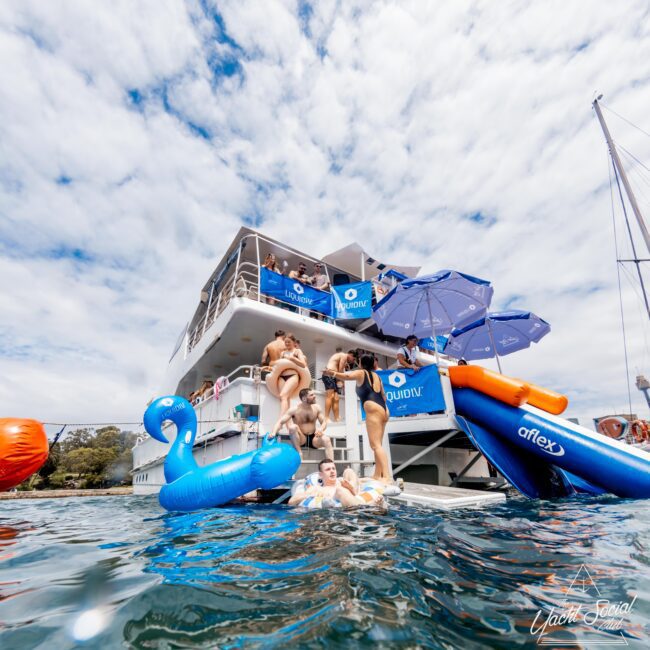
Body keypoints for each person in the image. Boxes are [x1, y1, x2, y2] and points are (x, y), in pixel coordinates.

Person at [323, 353, 392, 484]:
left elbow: (347, 376)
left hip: (373, 409)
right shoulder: (377, 376)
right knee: (378, 445)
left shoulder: (361, 373)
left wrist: (331, 373)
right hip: (384, 409)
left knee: (375, 445)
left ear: (361, 363)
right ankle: (377, 475)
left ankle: (387, 477)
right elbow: (384, 396)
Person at [288, 458, 382, 507]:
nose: (332, 471)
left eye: (333, 468)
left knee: (348, 471)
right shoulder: (317, 488)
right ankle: (366, 507)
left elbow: (363, 481)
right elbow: (291, 502)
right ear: (320, 474)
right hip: (341, 505)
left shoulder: (342, 481)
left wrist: (351, 486)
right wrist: (312, 495)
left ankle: (353, 491)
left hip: (353, 495)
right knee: (340, 490)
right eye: (328, 469)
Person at [270, 389, 333, 460]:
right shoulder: (294, 410)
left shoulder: (317, 408)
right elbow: (280, 422)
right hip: (301, 438)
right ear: (304, 398)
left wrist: (321, 429)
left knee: (326, 439)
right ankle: (299, 452)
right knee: (293, 427)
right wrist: (273, 432)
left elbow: (324, 422)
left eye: (314, 394)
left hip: (314, 439)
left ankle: (331, 464)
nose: (315, 396)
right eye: (312, 395)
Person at [276, 333, 308, 415]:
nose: (287, 344)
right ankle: (288, 423)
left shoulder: (297, 351)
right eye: (285, 342)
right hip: (282, 376)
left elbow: (303, 364)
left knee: (283, 395)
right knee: (285, 398)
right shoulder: (282, 353)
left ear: (294, 342)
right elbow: (279, 365)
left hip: (292, 376)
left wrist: (293, 358)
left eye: (289, 342)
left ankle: (280, 420)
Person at [322, 350, 359, 422]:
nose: (353, 361)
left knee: (336, 398)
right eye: (353, 359)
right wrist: (342, 381)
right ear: (350, 355)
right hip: (328, 375)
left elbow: (340, 370)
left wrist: (340, 380)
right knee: (330, 396)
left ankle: (337, 418)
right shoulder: (344, 355)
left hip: (333, 376)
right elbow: (340, 369)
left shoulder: (342, 357)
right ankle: (326, 417)